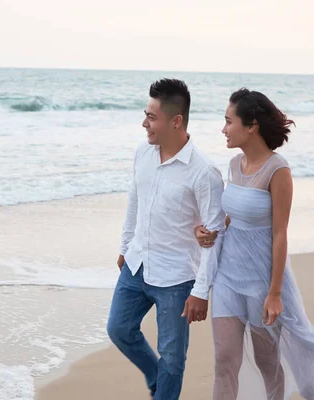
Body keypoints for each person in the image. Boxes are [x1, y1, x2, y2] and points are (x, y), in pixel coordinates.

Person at [195, 88, 314, 400]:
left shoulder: (278, 169)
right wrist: (209, 232)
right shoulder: (233, 165)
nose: (223, 128)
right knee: (224, 360)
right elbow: (232, 217)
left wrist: (275, 293)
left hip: (261, 280)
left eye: (229, 121)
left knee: (267, 361)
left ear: (251, 126)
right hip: (227, 276)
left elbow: (280, 233)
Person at [106, 78, 226, 400]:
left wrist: (201, 291)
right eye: (145, 114)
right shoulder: (143, 153)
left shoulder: (204, 172)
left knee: (173, 359)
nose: (145, 123)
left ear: (176, 121)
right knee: (118, 329)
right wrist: (124, 245)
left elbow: (215, 236)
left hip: (176, 277)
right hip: (137, 263)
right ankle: (155, 379)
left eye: (152, 117)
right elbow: (135, 199)